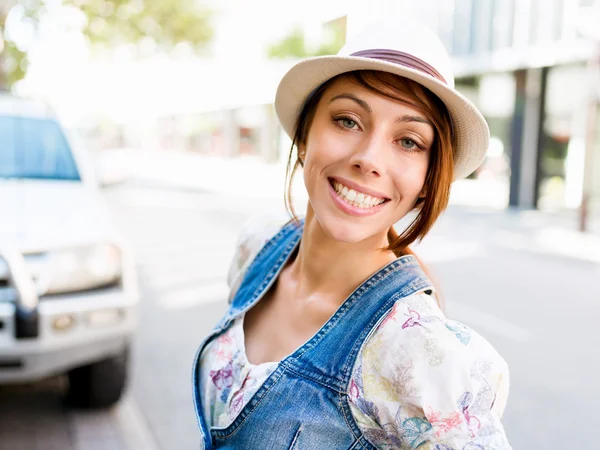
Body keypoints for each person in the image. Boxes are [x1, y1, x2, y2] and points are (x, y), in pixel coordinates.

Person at [192, 20, 511, 450]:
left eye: (409, 141)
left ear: (427, 179)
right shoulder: (260, 246)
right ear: (304, 136)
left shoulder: (420, 353)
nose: (368, 159)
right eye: (347, 120)